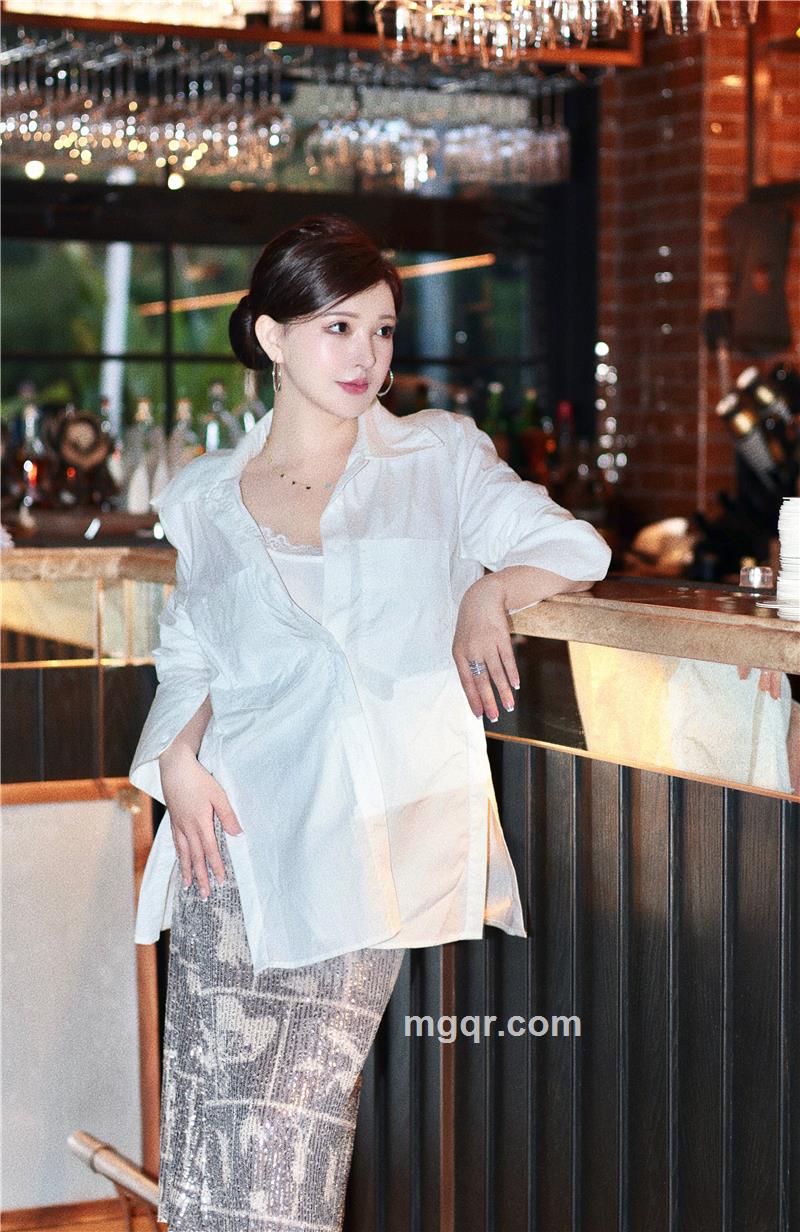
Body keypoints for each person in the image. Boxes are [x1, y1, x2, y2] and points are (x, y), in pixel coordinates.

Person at [129, 213, 611, 1232]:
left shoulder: (436, 456)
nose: (365, 356)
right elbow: (193, 651)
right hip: (231, 840)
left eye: (382, 330)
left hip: (360, 846)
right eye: (337, 328)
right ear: (272, 336)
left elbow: (576, 549)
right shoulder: (204, 495)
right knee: (212, 1140)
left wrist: (488, 591)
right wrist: (174, 754)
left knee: (292, 1140)